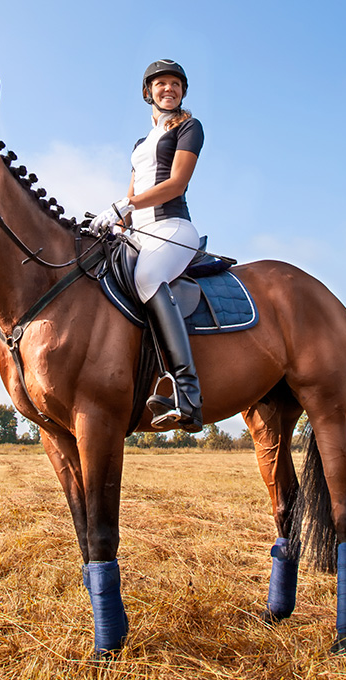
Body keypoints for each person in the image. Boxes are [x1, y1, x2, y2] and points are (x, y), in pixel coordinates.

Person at [89, 59, 204, 432]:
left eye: (175, 84)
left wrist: (130, 205)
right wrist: (112, 221)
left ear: (182, 91)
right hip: (139, 232)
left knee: (148, 276)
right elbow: (132, 193)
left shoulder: (189, 127)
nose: (168, 89)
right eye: (160, 84)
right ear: (148, 92)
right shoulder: (140, 144)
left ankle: (186, 394)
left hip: (173, 229)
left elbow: (175, 184)